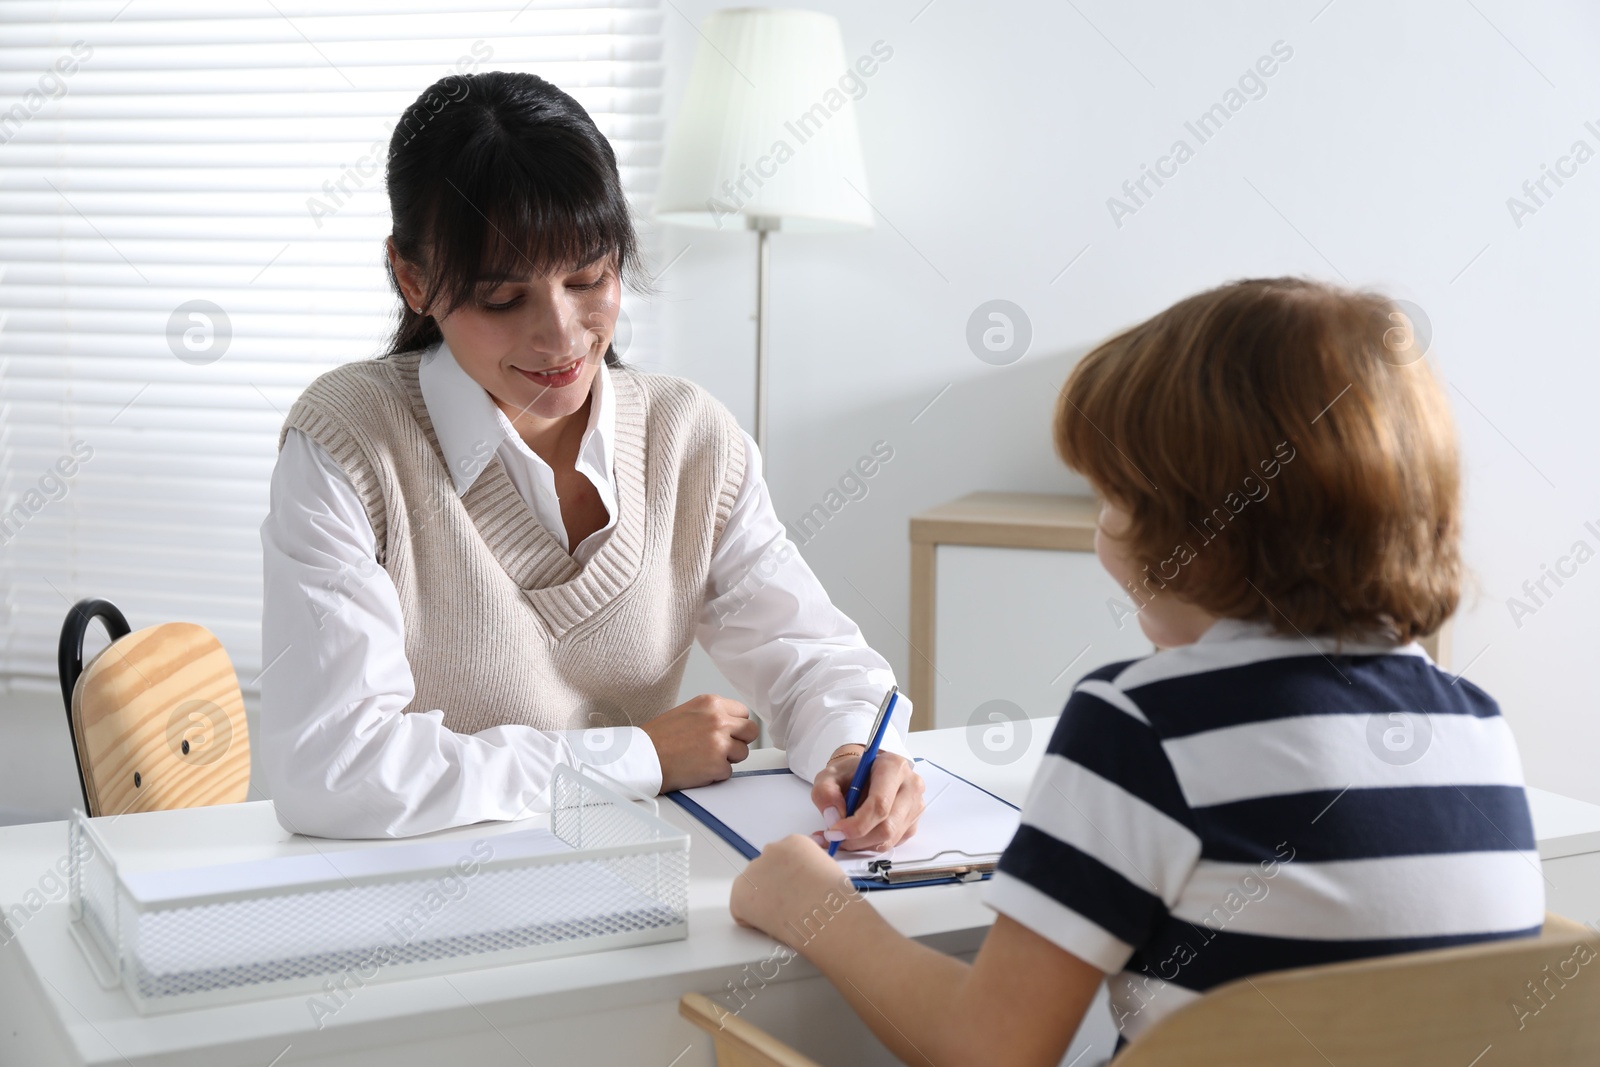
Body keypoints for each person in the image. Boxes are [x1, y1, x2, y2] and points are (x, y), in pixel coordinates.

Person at [729, 277, 1545, 1064]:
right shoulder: (1476, 726)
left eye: (1111, 498)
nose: (1101, 531)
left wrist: (815, 905)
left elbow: (987, 1050)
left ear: (1198, 531)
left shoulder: (1140, 726)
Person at [257, 71, 923, 842]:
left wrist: (856, 747)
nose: (562, 334)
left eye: (589, 278)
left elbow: (809, 655)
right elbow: (331, 769)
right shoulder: (347, 445)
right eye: (503, 299)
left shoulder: (689, 439)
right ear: (412, 278)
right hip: (420, 905)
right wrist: (634, 756)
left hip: (631, 890)